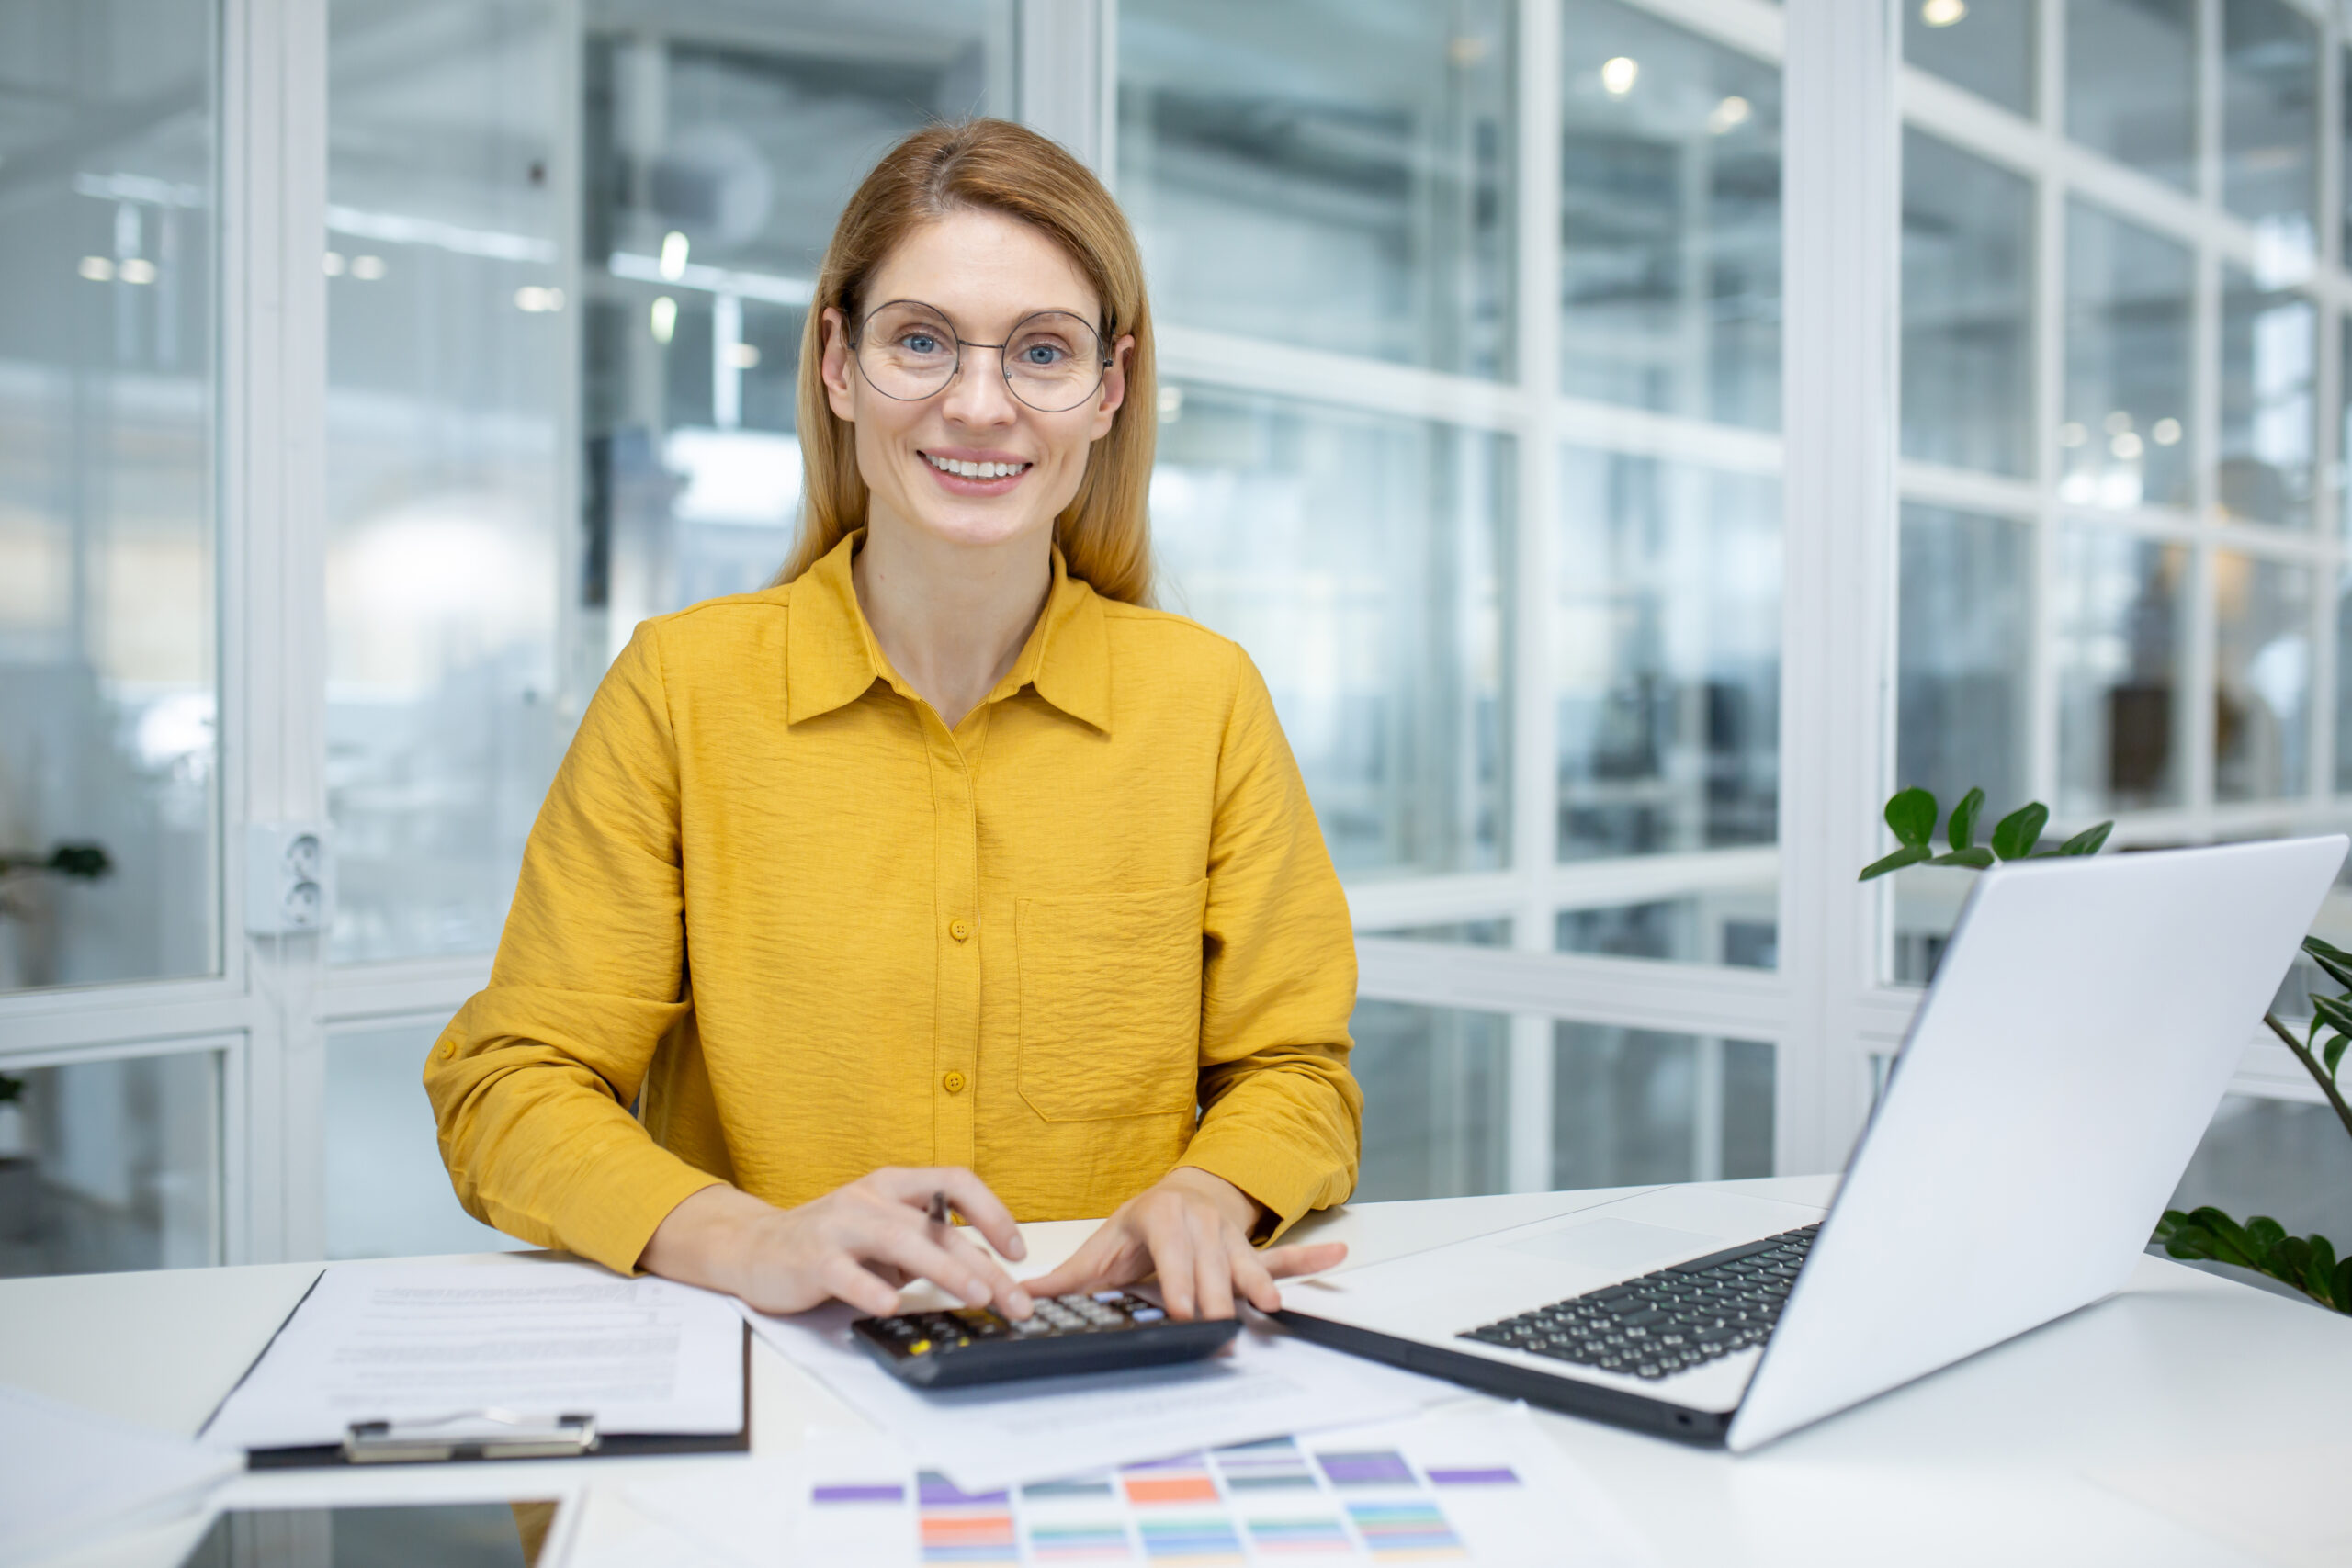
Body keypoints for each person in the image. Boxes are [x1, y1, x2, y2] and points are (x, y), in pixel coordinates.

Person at [424, 118, 1360, 1325]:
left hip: (1107, 1370)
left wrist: (1213, 1191)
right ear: (837, 364)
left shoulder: (1206, 700)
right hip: (780, 1373)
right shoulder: (682, 688)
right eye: (921, 341)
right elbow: (510, 1086)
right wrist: (746, 1240)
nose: (979, 405)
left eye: (1042, 352)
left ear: (1109, 391)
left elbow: (1295, 1072)